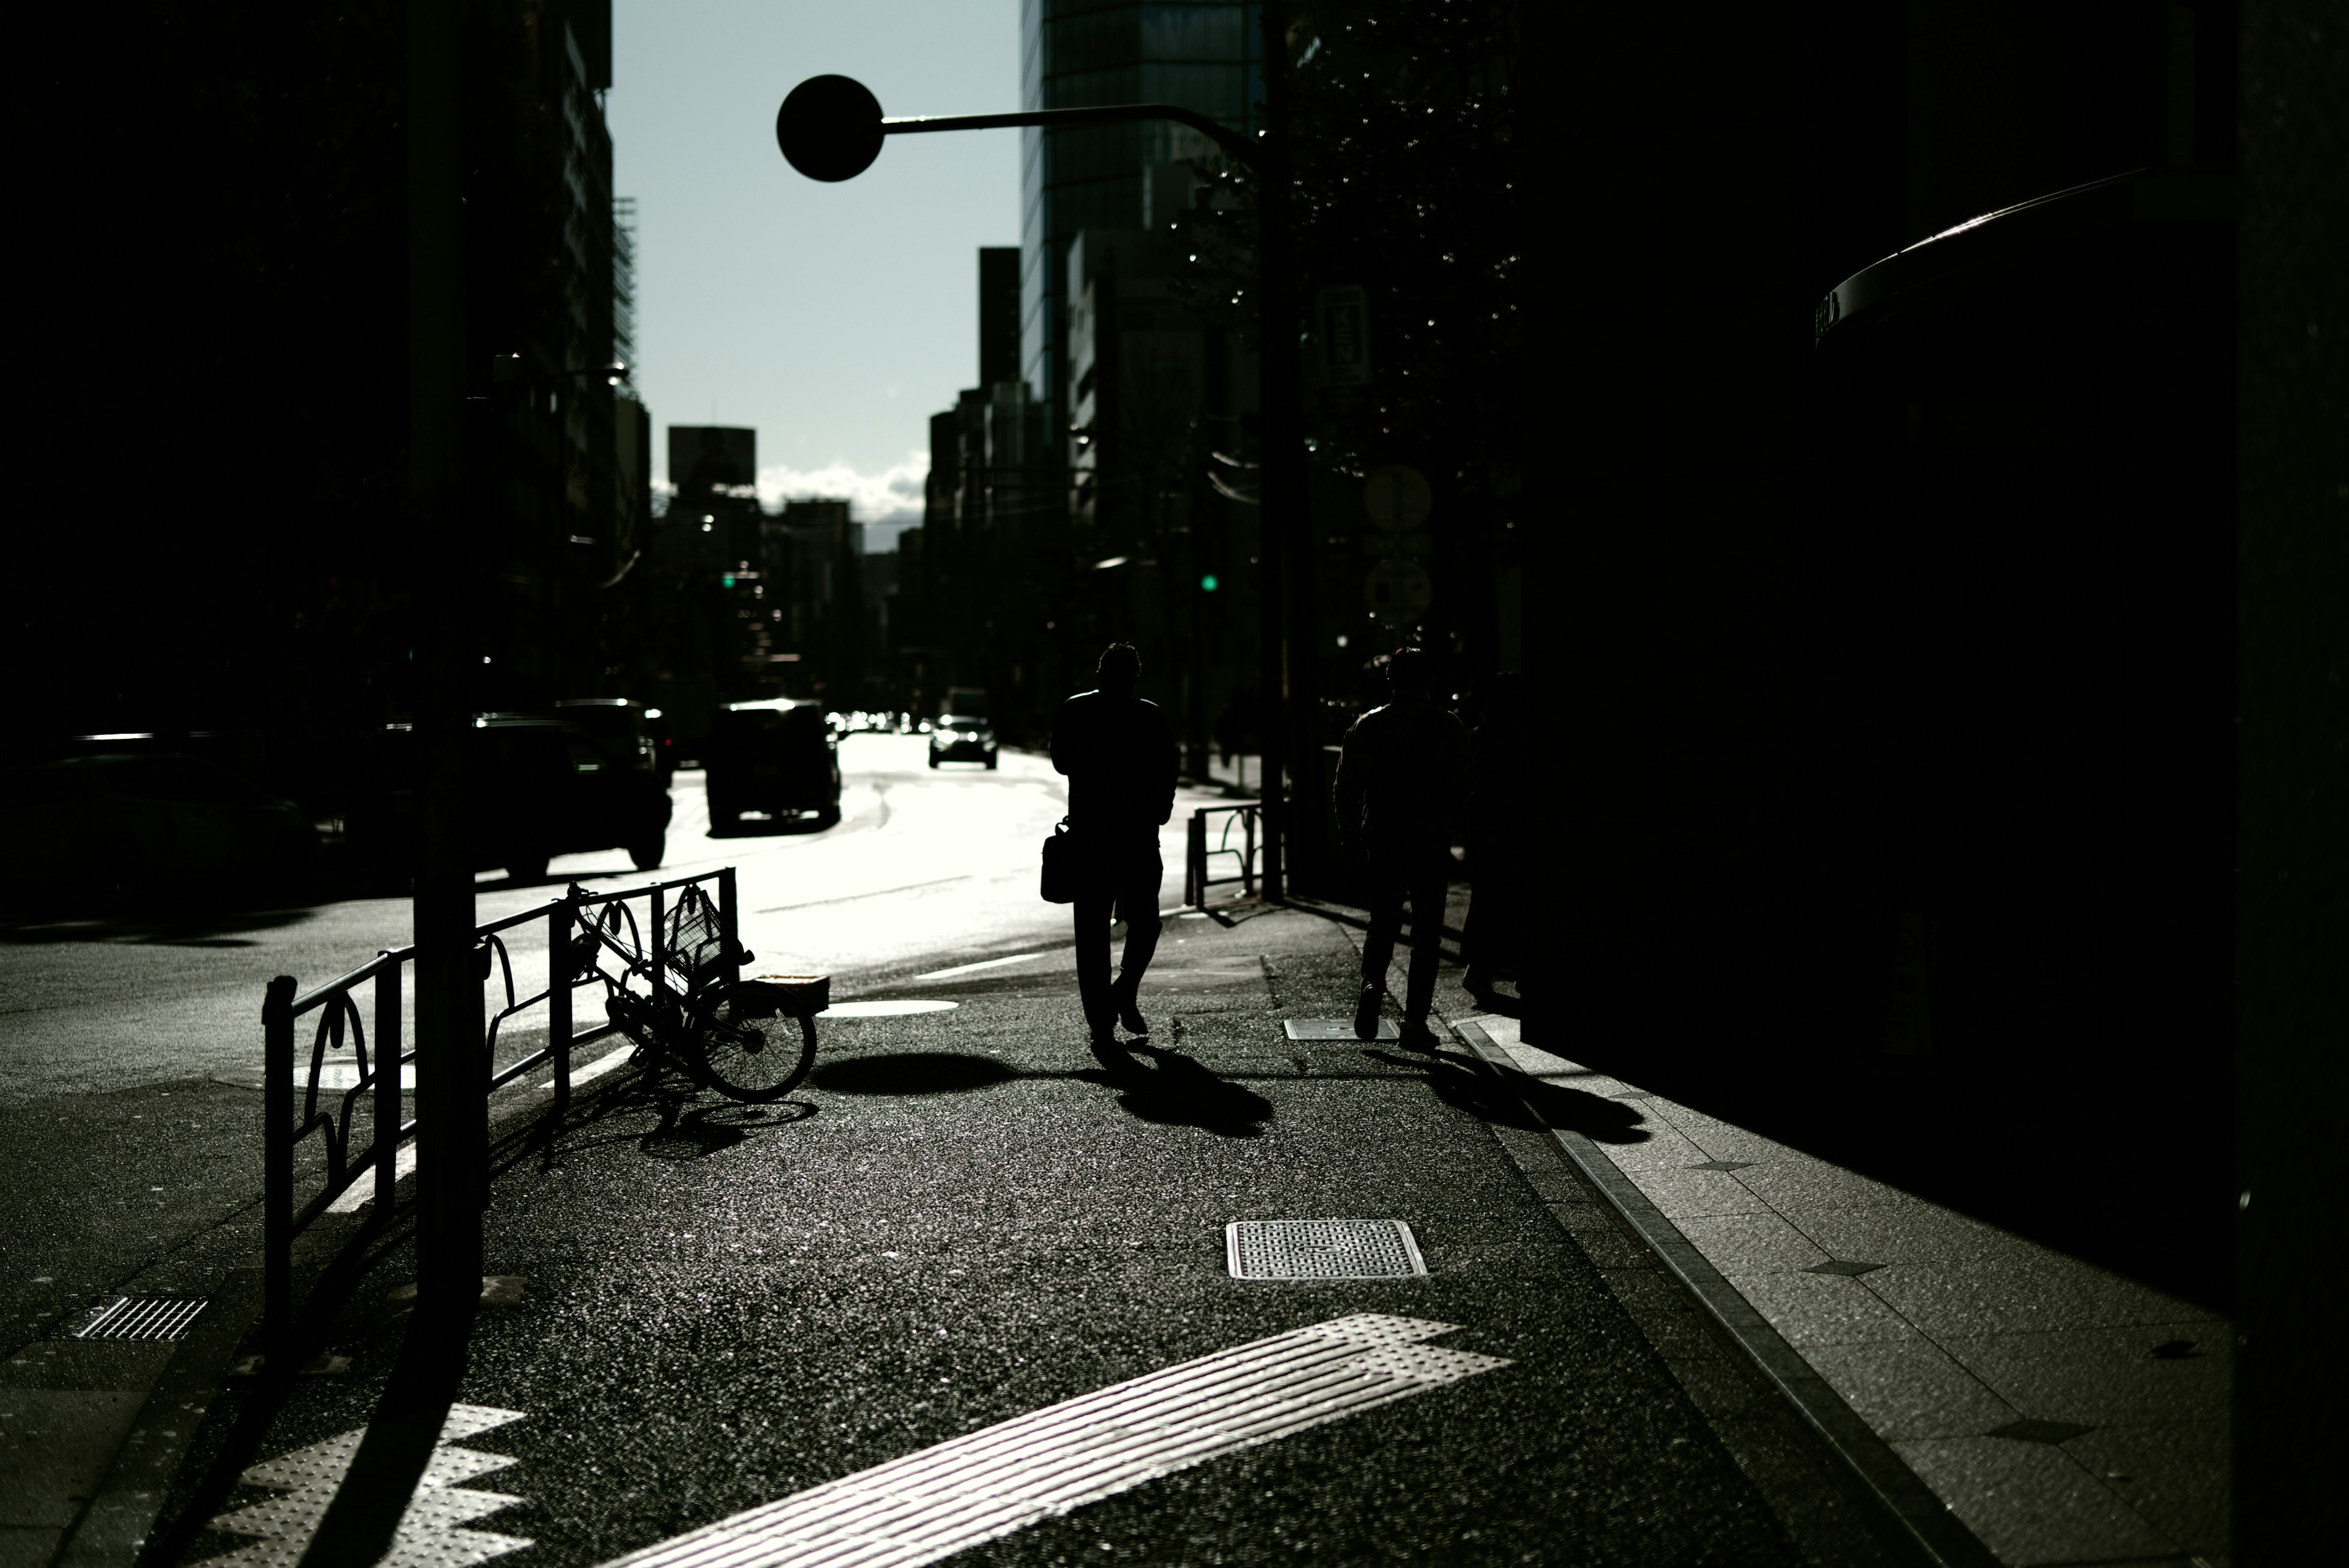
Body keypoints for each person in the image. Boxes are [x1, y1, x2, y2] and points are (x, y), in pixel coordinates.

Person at [1333, 647, 1473, 1047]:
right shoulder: (1448, 726)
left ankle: (1373, 984)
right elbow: (1463, 786)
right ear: (1431, 680)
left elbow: (1346, 785)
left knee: (1383, 921)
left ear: (1391, 680)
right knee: (1427, 932)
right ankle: (1414, 1022)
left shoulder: (1368, 725)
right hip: (1429, 837)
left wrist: (1350, 833)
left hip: (1382, 833)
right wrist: (1451, 827)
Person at [1051, 642, 1179, 1059]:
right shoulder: (1150, 715)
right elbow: (1169, 768)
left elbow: (1061, 761)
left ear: (1099, 673)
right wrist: (1160, 808)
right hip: (1139, 836)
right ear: (1135, 676)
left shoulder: (1076, 709)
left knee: (1092, 931)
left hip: (1091, 836)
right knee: (1145, 921)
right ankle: (1123, 990)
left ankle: (1104, 1015)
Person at [1461, 671, 1527, 1011]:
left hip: (1487, 828)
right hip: (1514, 827)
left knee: (1490, 899)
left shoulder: (1481, 738)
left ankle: (1480, 971)